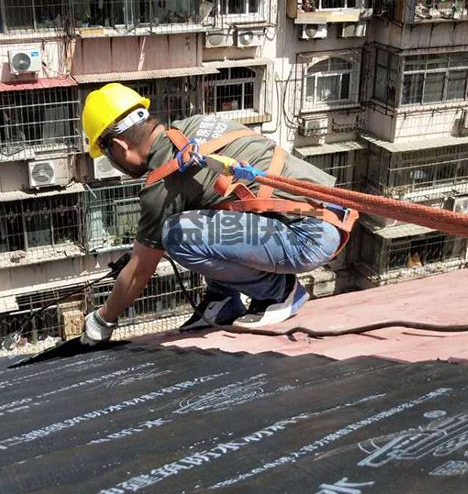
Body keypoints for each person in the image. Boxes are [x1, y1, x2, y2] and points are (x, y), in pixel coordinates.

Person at [79, 83, 357, 343]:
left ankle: (278, 291)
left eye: (107, 156)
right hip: (323, 213)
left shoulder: (163, 182)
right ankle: (223, 298)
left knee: (177, 234)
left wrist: (102, 321)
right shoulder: (195, 127)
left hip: (305, 235)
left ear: (119, 146)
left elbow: (140, 270)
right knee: (198, 211)